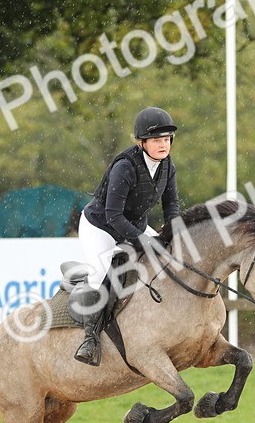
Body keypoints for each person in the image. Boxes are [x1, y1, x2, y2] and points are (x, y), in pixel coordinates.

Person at [72, 106, 182, 366]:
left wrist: (174, 234)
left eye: (166, 140)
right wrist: (145, 242)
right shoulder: (125, 167)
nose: (163, 145)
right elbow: (113, 216)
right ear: (142, 142)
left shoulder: (167, 166)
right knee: (100, 274)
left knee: (171, 259)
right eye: (157, 140)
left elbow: (172, 206)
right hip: (100, 226)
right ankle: (90, 339)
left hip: (134, 223)